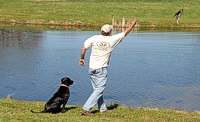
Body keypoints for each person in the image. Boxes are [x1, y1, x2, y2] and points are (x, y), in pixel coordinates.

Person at [79, 19, 137, 116]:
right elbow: (125, 33)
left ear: (101, 31)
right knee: (99, 89)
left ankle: (102, 109)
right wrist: (133, 24)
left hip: (91, 68)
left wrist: (82, 58)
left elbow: (84, 48)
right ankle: (86, 108)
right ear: (110, 32)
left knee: (97, 90)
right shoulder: (112, 39)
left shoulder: (94, 38)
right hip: (102, 68)